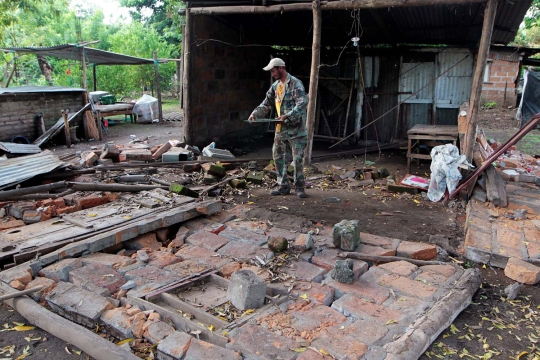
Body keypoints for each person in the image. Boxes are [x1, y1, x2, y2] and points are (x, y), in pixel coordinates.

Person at [248, 58, 309, 198]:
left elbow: (302, 103)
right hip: (281, 128)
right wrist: (255, 114)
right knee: (278, 156)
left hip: (296, 129)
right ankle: (283, 186)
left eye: (273, 70)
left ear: (281, 68)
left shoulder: (295, 83)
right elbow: (266, 103)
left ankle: (299, 187)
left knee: (298, 159)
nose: (272, 73)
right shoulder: (276, 86)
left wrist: (287, 115)